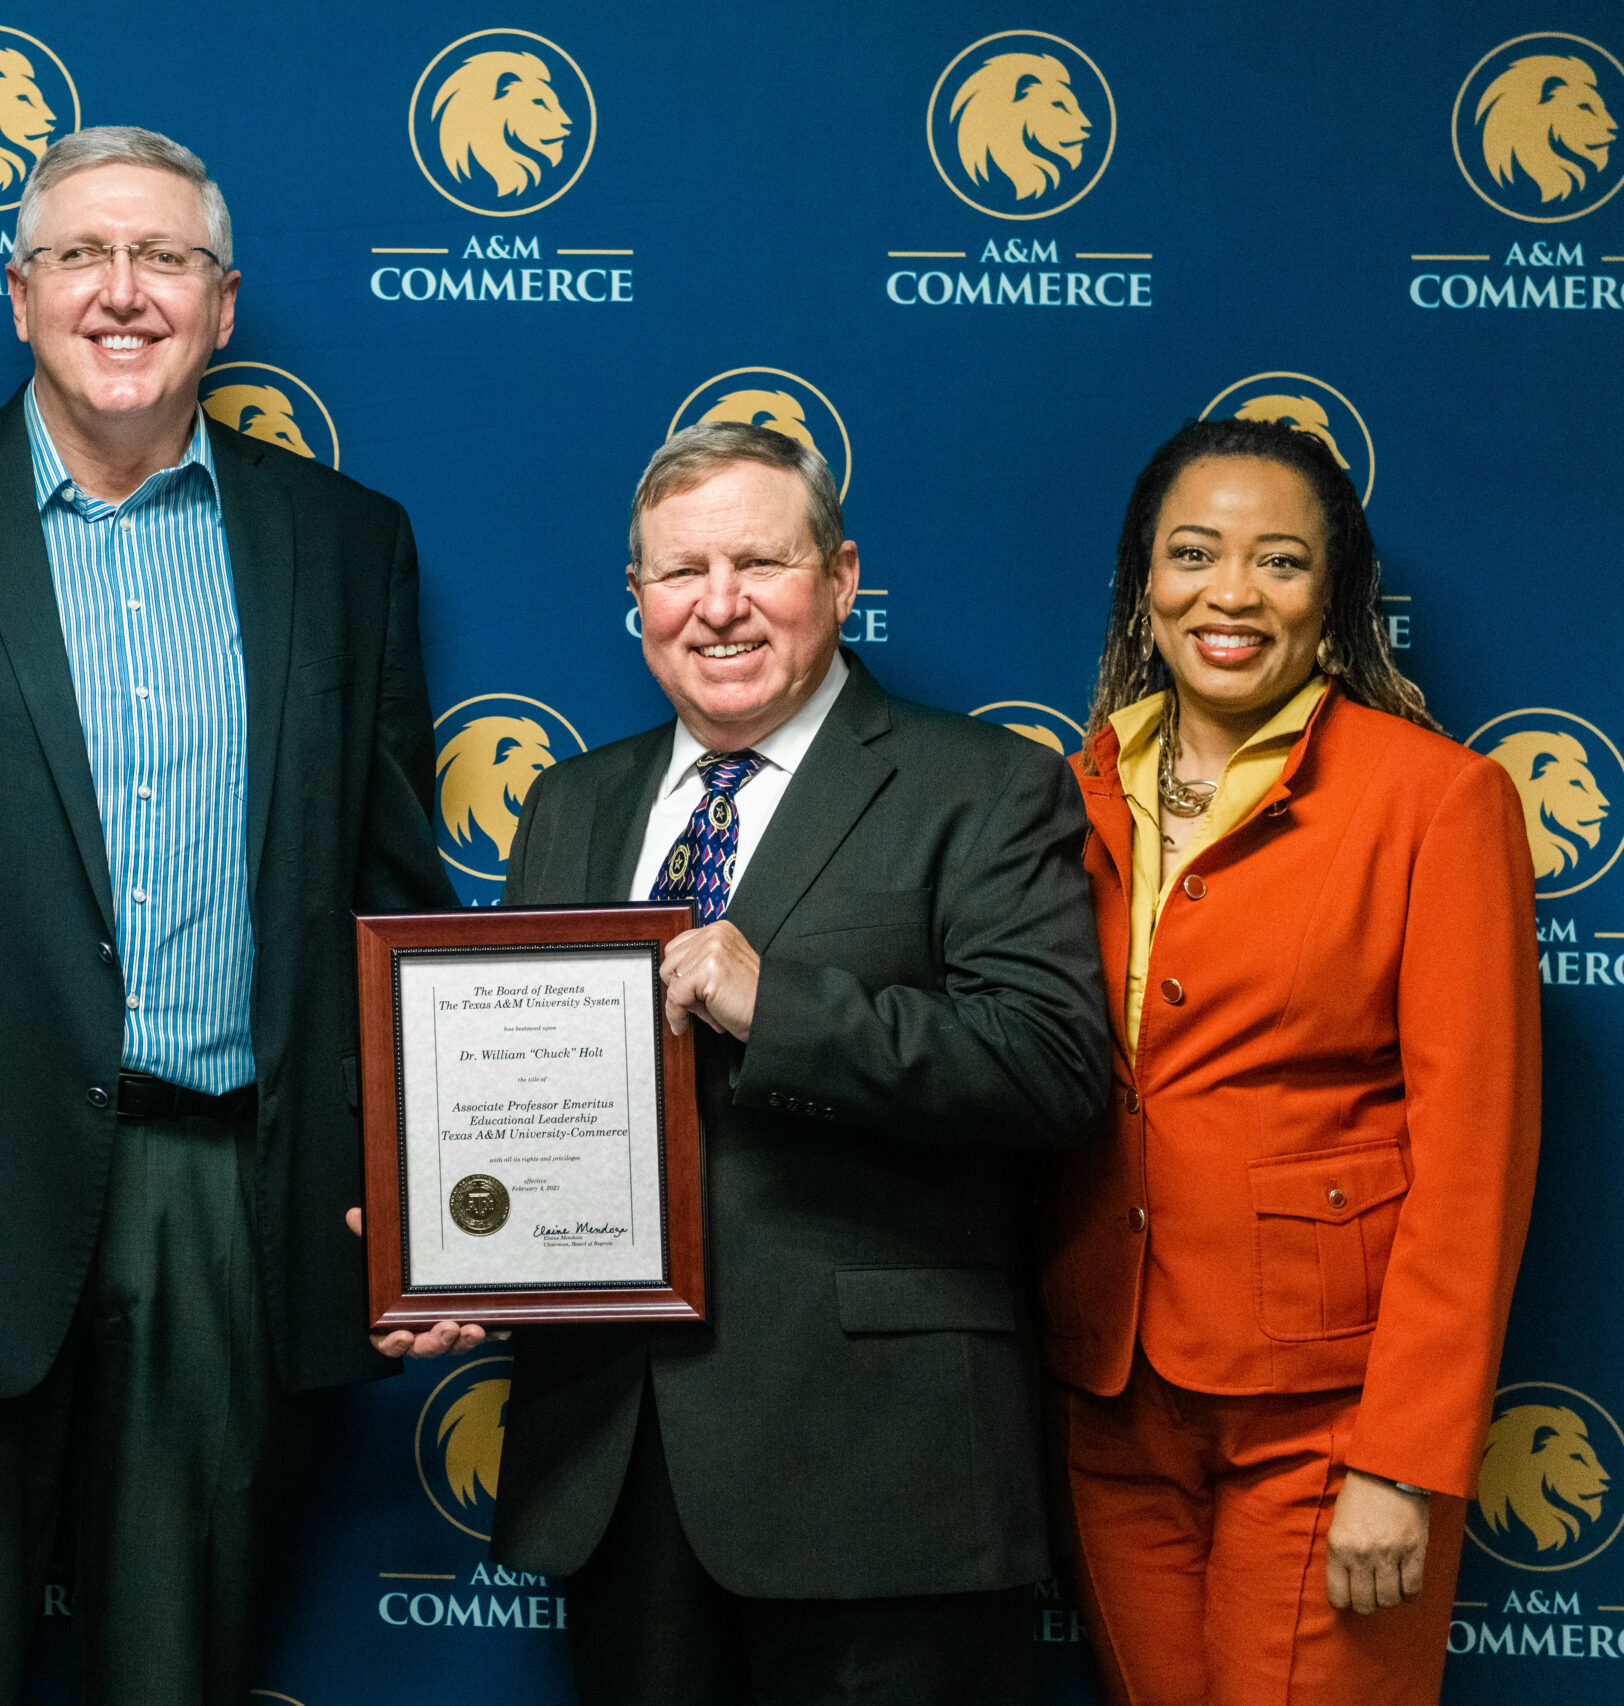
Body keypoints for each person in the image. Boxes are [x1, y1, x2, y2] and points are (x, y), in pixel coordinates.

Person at [0, 126, 455, 1705]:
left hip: (228, 1200)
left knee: (178, 1668)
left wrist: (438, 1194)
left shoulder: (346, 544)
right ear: (20, 294)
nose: (124, 293)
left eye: (166, 259)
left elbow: (394, 907)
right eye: (82, 258)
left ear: (225, 303)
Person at [484, 421, 1111, 1705]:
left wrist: (782, 1006)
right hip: (620, 1461)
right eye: (678, 573)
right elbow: (528, 1095)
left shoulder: (979, 786)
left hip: (878, 1469)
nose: (717, 607)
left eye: (759, 563)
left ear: (839, 575)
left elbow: (1051, 1067)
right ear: (636, 600)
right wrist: (462, 1244)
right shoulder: (569, 803)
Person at [1039, 417, 1540, 1705]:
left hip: (1327, 1417)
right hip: (1112, 1393)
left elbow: (1474, 1159)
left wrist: (1404, 1458)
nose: (1231, 594)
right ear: (1142, 584)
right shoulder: (1067, 787)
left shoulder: (1435, 799)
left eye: (1279, 562)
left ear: (1335, 596)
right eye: (1193, 553)